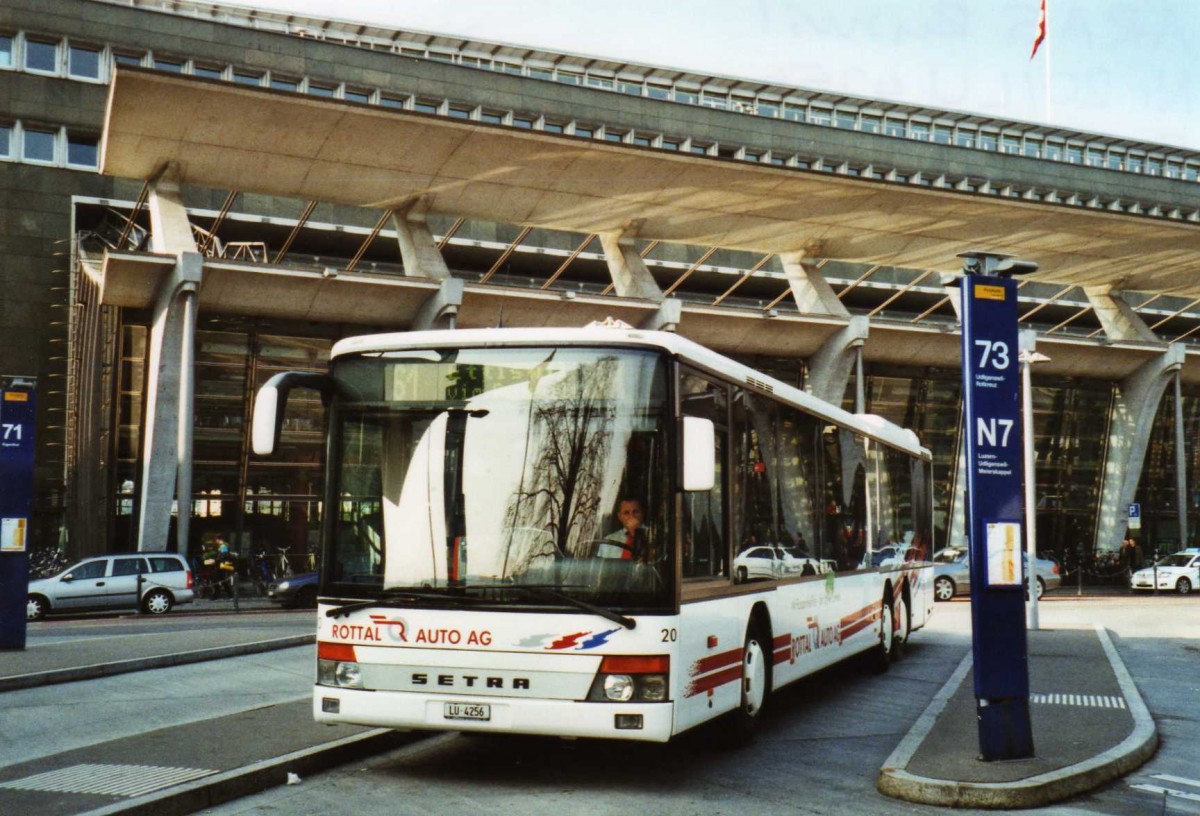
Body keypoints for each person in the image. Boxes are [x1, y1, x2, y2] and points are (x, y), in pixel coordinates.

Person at [602, 497, 653, 564]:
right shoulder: (609, 540)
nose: (631, 516)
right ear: (620, 517)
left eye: (635, 512)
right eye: (626, 513)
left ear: (642, 513)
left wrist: (636, 532)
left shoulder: (653, 535)